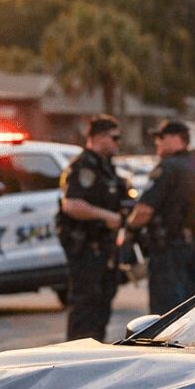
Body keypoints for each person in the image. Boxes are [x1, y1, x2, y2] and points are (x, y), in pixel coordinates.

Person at [127, 119, 195, 316]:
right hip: (194, 246)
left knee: (165, 312)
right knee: (187, 308)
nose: (157, 142)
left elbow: (144, 210)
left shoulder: (167, 168)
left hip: (168, 249)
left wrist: (129, 229)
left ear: (175, 139)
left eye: (161, 137)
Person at [58, 116, 127, 342]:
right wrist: (105, 216)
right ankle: (77, 362)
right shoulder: (82, 167)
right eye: (113, 137)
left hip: (105, 251)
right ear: (97, 138)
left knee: (101, 311)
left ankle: (94, 357)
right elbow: (71, 204)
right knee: (85, 312)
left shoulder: (106, 168)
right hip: (87, 251)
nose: (118, 141)